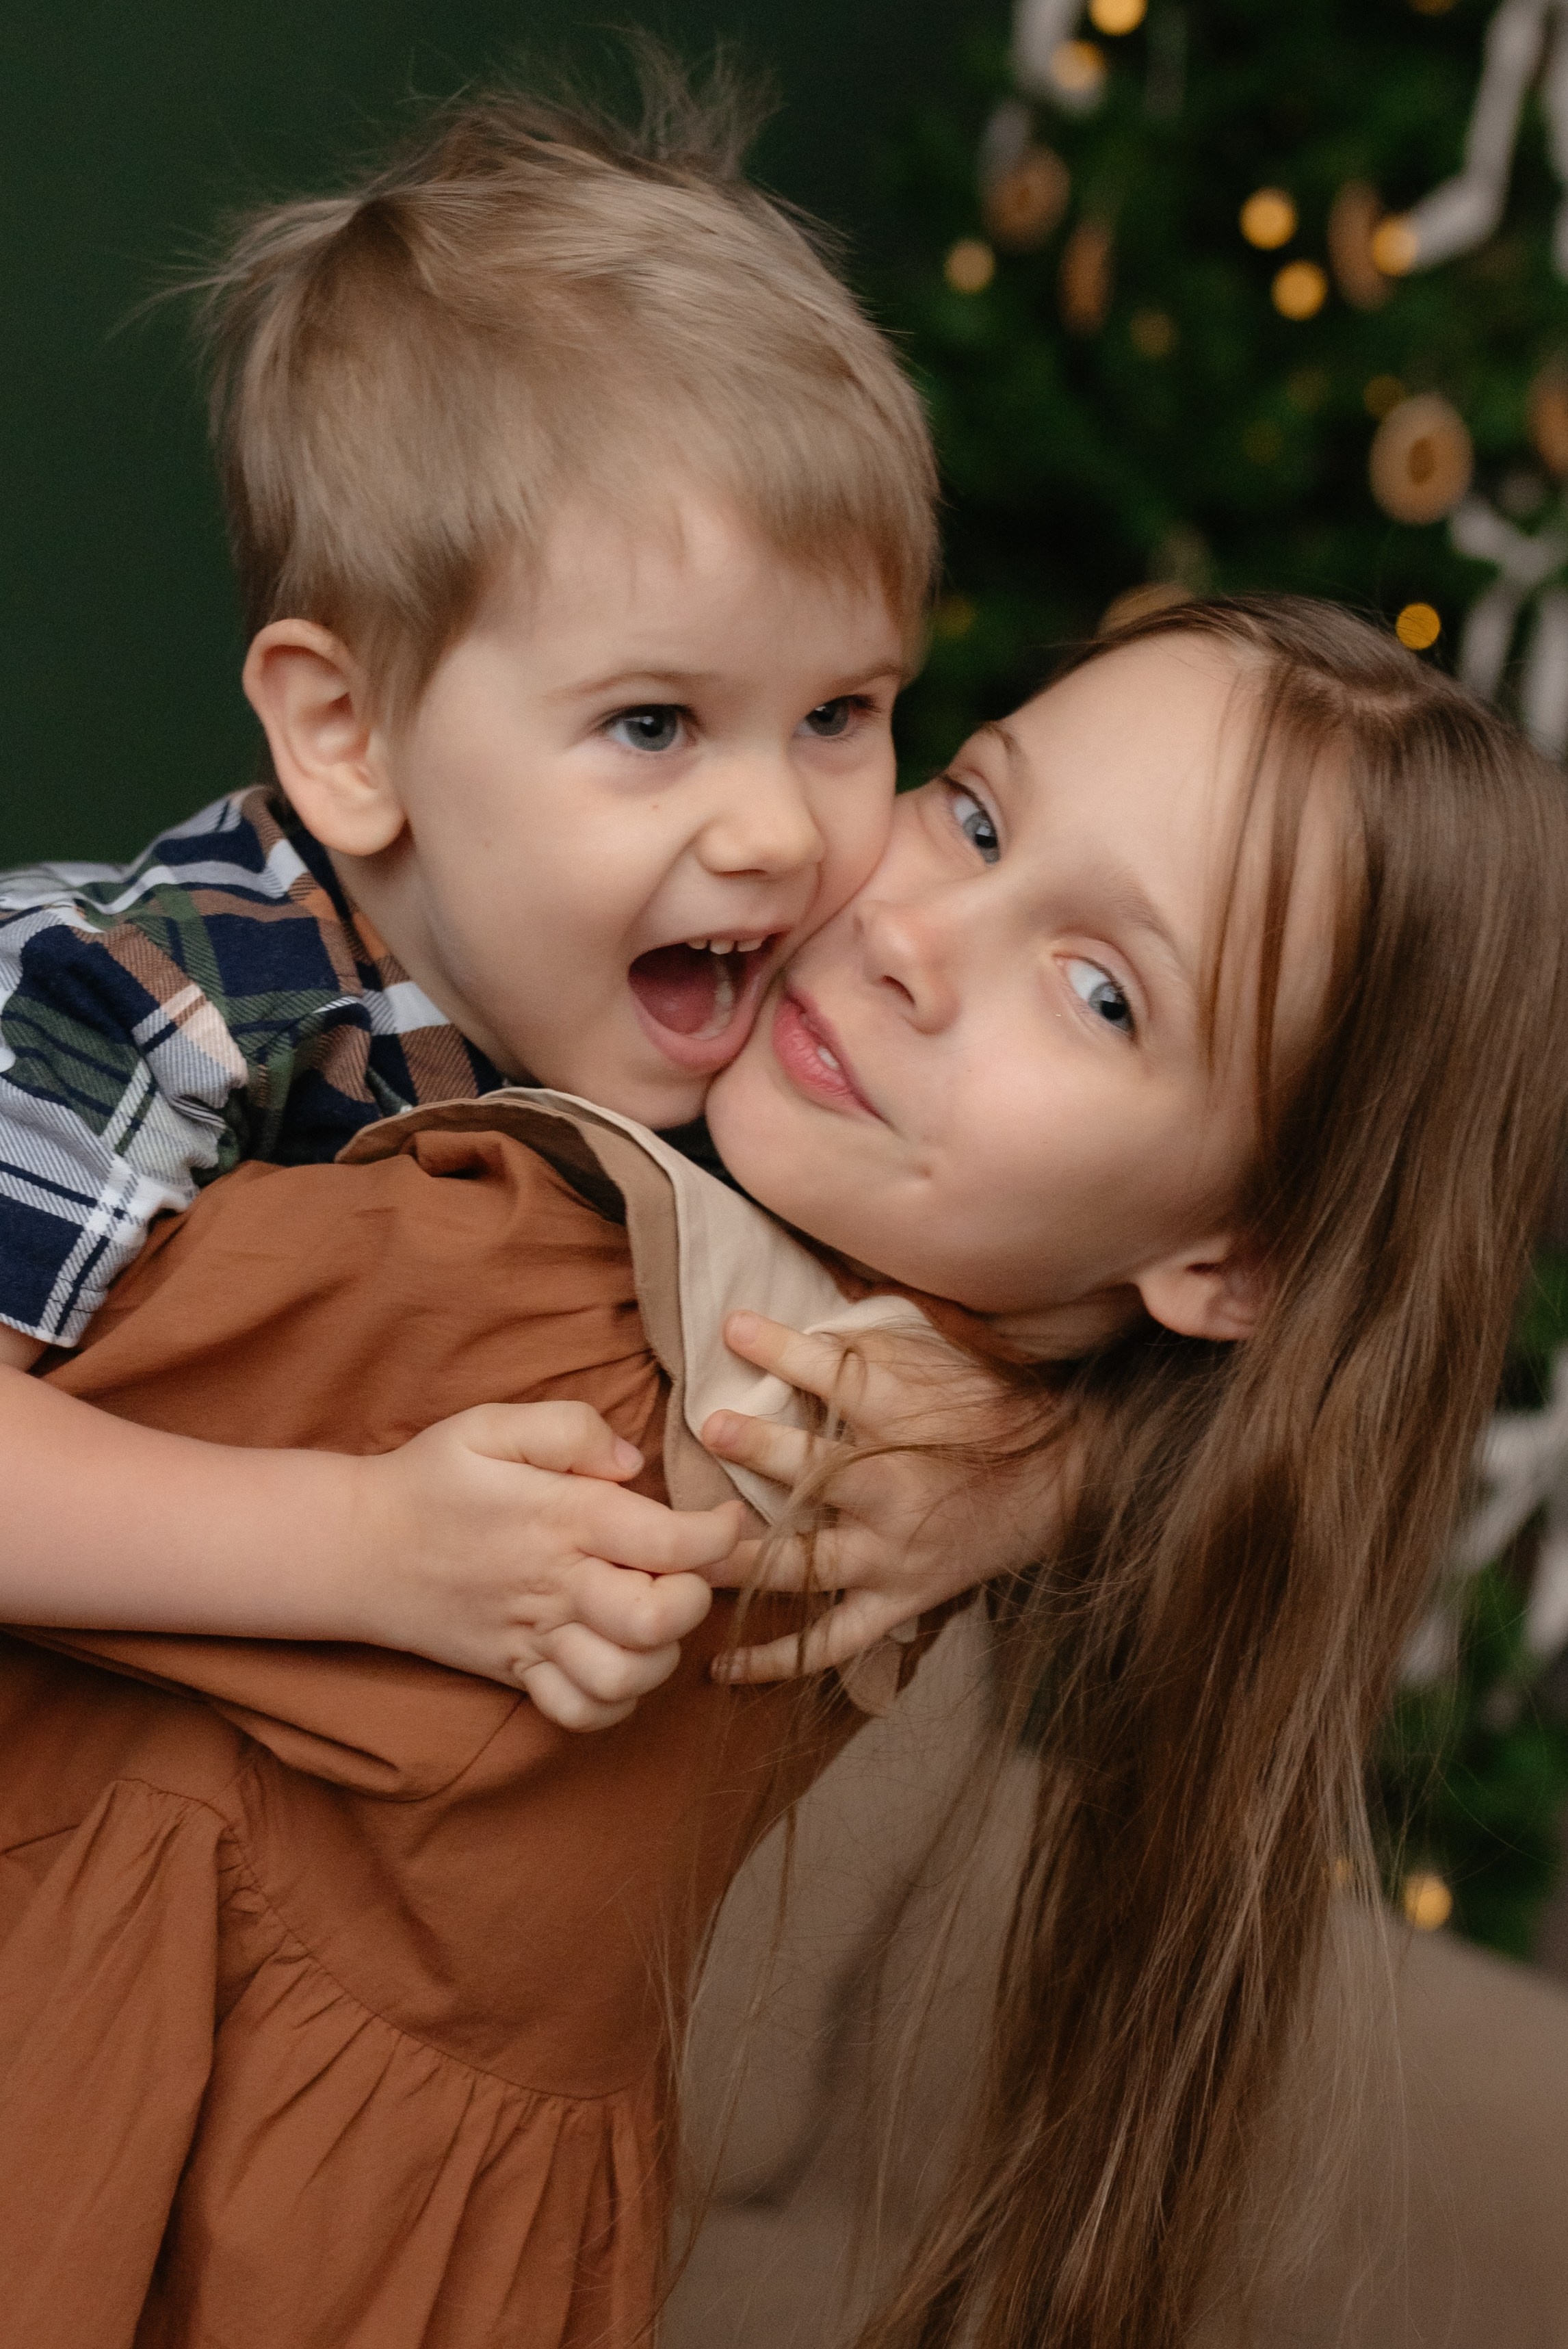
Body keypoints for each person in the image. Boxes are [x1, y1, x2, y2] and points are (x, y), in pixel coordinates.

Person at [3, 595, 1563, 2349]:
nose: (912, 933)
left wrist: (1052, 1461)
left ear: (1238, 1259)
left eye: (1104, 990)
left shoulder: (642, 1342)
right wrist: (1053, 1452)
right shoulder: (826, 1347)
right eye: (973, 813)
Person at [0, 58, 1019, 1730]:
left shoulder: (765, 974)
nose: (774, 828)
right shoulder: (160, 988)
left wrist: (1019, 1477)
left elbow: (1086, 1292)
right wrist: (370, 1548)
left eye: (840, 712)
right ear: (348, 735)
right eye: (651, 722)